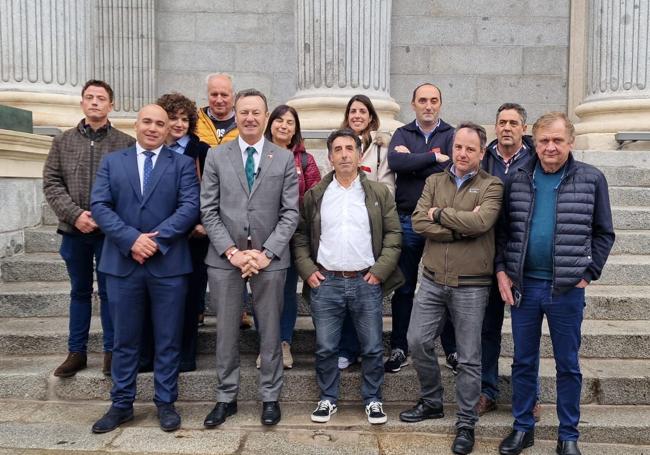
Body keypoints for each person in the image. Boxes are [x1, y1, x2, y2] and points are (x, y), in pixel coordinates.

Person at [496, 112, 615, 455]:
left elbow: (604, 233)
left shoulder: (592, 179)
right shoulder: (517, 178)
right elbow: (503, 233)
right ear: (534, 141)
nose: (550, 147)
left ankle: (568, 435)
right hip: (525, 287)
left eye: (558, 140)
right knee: (523, 361)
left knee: (568, 364)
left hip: (565, 290)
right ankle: (523, 428)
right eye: (544, 140)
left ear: (571, 142)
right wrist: (503, 270)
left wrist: (587, 273)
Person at [90, 104, 200, 433]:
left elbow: (190, 206)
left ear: (169, 130)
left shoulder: (181, 164)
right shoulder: (113, 162)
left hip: (168, 265)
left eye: (160, 124)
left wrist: (156, 240)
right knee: (125, 339)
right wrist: (131, 240)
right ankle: (121, 404)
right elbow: (99, 205)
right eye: (147, 122)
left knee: (168, 339)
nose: (153, 128)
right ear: (136, 125)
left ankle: (166, 402)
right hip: (123, 265)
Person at [400, 122, 503, 454]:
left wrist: (440, 215)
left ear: (481, 153)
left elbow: (482, 222)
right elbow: (419, 222)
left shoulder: (492, 185)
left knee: (470, 357)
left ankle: (466, 422)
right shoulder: (433, 180)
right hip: (431, 279)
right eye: (458, 147)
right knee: (416, 341)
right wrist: (459, 227)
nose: (462, 153)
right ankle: (432, 400)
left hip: (472, 285)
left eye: (470, 149)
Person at [201, 89, 299, 428]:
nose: (250, 118)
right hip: (225, 259)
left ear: (266, 115)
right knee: (226, 332)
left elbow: (290, 213)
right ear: (236, 114)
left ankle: (270, 397)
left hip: (269, 260)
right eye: (244, 112)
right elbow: (208, 210)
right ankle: (225, 397)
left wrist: (266, 252)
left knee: (270, 332)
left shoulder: (283, 159)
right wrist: (232, 251)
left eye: (256, 112)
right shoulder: (216, 155)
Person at [293, 128, 403, 425]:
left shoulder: (378, 192)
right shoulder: (316, 195)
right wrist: (309, 271)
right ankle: (328, 399)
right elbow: (301, 237)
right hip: (326, 282)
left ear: (358, 153)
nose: (343, 154)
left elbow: (394, 234)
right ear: (329, 157)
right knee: (326, 347)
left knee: (371, 346)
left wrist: (380, 272)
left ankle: (373, 400)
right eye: (338, 149)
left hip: (366, 281)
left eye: (349, 148)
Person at [43, 79, 135, 378]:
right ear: (82, 102)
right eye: (89, 97)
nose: (95, 102)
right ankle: (76, 351)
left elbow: (130, 188)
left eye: (101, 98)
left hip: (110, 235)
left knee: (111, 293)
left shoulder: (125, 143)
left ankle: (111, 351)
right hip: (74, 231)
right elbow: (52, 183)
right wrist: (76, 215)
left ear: (112, 104)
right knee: (79, 291)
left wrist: (105, 218)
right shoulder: (62, 141)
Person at [385, 83, 457, 374]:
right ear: (412, 104)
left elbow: (452, 168)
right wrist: (431, 158)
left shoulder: (451, 135)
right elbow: (395, 162)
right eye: (423, 101)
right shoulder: (402, 133)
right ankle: (399, 346)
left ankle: (452, 349)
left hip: (442, 221)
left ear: (440, 104)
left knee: (447, 287)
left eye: (434, 101)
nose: (428, 106)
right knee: (404, 287)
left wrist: (412, 162)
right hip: (407, 219)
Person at [477, 103, 539, 417]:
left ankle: (528, 395)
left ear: (523, 128)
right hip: (486, 254)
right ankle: (487, 390)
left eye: (513, 122)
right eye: (502, 122)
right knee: (488, 329)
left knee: (524, 332)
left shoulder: (537, 159)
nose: (506, 128)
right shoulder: (482, 158)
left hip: (521, 258)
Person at [253, 104, 320, 370]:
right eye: (279, 120)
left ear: (296, 128)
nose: (284, 126)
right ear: (270, 125)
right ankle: (265, 344)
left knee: (286, 292)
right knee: (263, 292)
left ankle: (283, 343)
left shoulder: (305, 160)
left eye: (290, 122)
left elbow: (315, 197)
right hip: (261, 235)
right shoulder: (257, 156)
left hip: (293, 237)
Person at [336, 94, 395, 370]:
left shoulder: (380, 148)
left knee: (367, 292)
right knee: (346, 292)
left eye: (362, 111)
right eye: (353, 111)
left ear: (371, 117)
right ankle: (347, 349)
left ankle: (368, 349)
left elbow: (387, 187)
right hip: (343, 227)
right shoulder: (338, 144)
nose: (357, 115)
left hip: (370, 227)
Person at [157, 92, 211, 373]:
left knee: (191, 298)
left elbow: (212, 193)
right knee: (164, 298)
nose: (178, 124)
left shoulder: (202, 151)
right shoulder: (155, 150)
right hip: (162, 238)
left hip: (194, 237)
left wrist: (203, 224)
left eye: (184, 119)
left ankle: (187, 356)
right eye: (173, 118)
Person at [195, 73, 252, 329]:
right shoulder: (195, 121)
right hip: (200, 202)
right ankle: (197, 308)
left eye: (224, 94)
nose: (219, 99)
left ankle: (239, 310)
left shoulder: (243, 123)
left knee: (235, 258)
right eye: (214, 94)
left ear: (233, 96)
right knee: (199, 261)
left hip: (233, 206)